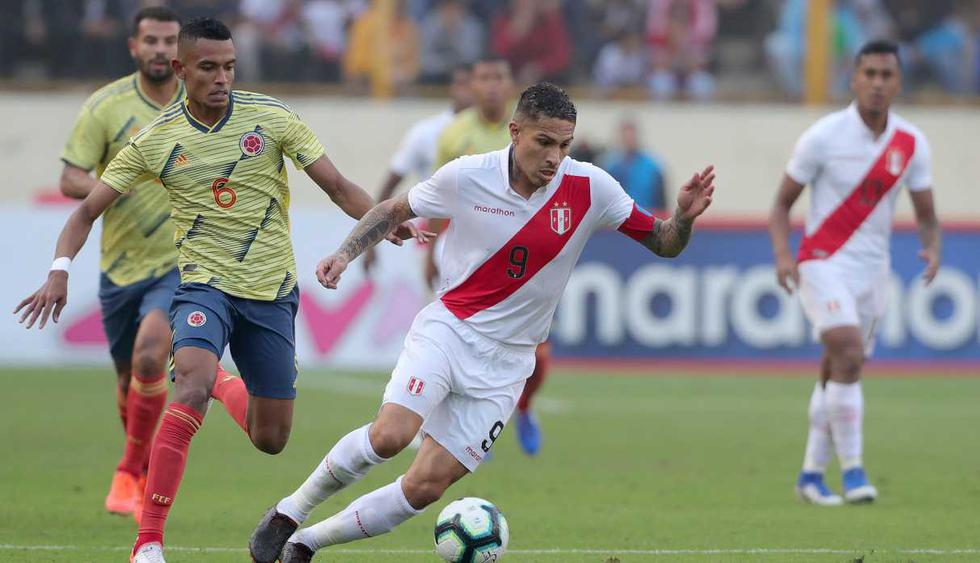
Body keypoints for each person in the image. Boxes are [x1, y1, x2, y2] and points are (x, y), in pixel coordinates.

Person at [248, 82, 715, 563]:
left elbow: (663, 242)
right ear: (515, 132)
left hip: (510, 362)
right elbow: (393, 209)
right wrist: (344, 254)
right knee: (390, 435)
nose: (555, 157)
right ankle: (289, 513)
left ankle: (306, 544)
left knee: (426, 486)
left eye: (565, 145)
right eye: (544, 142)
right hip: (450, 330)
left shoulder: (591, 188)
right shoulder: (468, 176)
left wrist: (683, 217)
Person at [14, 17, 424, 563]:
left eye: (229, 66)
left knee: (270, 437)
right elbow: (85, 210)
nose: (221, 77)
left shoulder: (271, 118)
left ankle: (217, 381)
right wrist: (60, 269)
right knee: (188, 387)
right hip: (203, 288)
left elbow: (338, 186)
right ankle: (148, 543)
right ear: (181, 69)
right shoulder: (157, 139)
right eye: (208, 67)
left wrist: (380, 221)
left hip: (271, 293)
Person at [769, 40, 940, 506]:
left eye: (887, 75)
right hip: (822, 260)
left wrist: (932, 246)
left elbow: (926, 213)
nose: (878, 83)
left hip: (872, 272)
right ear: (854, 79)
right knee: (846, 349)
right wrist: (784, 255)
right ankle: (855, 472)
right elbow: (783, 204)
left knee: (840, 367)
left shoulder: (910, 143)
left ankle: (809, 476)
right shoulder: (823, 136)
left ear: (898, 82)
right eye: (870, 74)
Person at [58, 5, 183, 521]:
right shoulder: (106, 106)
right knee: (130, 381)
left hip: (181, 262)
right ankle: (138, 463)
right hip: (119, 267)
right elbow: (70, 178)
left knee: (153, 357)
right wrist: (112, 185)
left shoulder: (199, 107)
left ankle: (132, 471)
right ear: (133, 46)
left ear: (182, 49)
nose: (160, 49)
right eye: (150, 40)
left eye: (169, 41)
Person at [431, 56, 550, 456]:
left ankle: (525, 406)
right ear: (473, 85)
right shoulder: (454, 135)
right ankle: (462, 426)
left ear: (511, 83)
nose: (493, 85)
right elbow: (438, 196)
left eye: (501, 77)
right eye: (485, 78)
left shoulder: (530, 132)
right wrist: (428, 246)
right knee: (454, 344)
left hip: (525, 260)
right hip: (467, 260)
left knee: (540, 355)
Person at [361, 64, 473, 273]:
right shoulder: (427, 132)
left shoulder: (503, 132)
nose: (467, 90)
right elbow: (390, 185)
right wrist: (370, 241)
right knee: (436, 303)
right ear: (451, 88)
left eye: (472, 83)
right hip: (433, 229)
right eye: (461, 83)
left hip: (479, 230)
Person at [602, 118, 669, 213]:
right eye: (625, 136)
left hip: (648, 219)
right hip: (618, 222)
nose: (629, 140)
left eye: (631, 136)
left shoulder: (653, 167)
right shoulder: (610, 166)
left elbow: (661, 200)